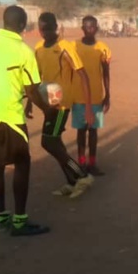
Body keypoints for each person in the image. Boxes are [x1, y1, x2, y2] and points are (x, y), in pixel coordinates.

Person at [0, 5, 53, 236]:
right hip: (9, 115)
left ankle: (2, 218)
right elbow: (32, 91)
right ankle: (20, 222)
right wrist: (48, 110)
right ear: (22, 25)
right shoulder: (24, 51)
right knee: (22, 163)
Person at [31, 12, 95, 199]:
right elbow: (36, 78)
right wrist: (30, 103)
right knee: (56, 144)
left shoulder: (65, 47)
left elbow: (83, 75)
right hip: (47, 103)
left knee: (48, 142)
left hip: (61, 104)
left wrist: (89, 107)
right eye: (42, 28)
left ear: (56, 27)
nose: (45, 32)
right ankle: (71, 181)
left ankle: (83, 175)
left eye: (48, 28)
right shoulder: (38, 48)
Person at [73, 16, 112, 176]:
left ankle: (92, 163)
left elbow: (106, 73)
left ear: (97, 28)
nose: (90, 30)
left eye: (93, 27)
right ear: (82, 28)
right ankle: (82, 163)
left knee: (93, 131)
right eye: (87, 27)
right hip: (78, 96)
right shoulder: (74, 46)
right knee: (81, 131)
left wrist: (108, 94)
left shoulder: (103, 48)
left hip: (96, 95)